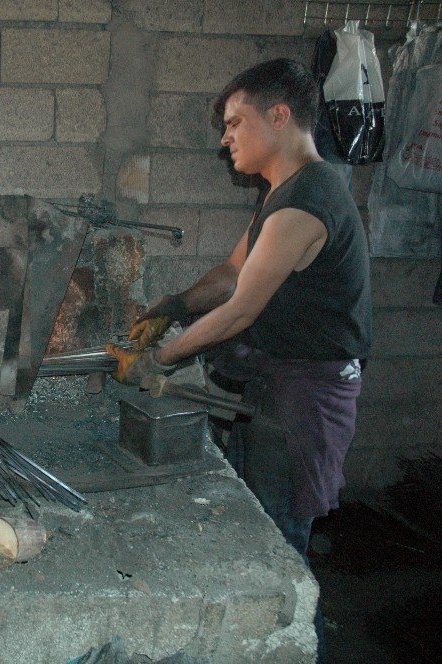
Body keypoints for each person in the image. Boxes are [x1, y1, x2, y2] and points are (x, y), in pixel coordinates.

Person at [106, 58, 372, 561]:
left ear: (278, 116)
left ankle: (294, 633)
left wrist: (157, 362)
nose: (226, 139)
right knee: (261, 520)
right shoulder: (284, 191)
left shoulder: (307, 201)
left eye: (234, 123)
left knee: (279, 545)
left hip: (305, 398)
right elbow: (232, 274)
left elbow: (239, 311)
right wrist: (173, 306)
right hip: (277, 384)